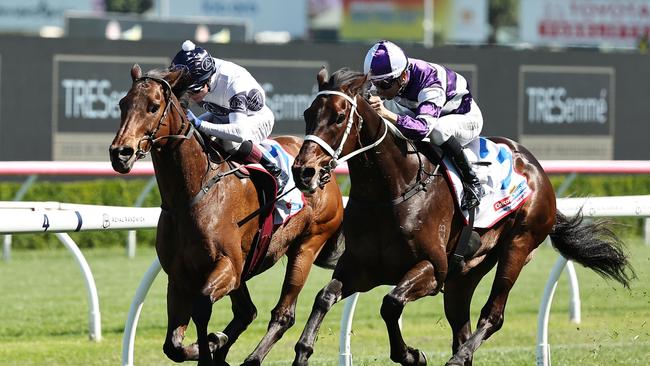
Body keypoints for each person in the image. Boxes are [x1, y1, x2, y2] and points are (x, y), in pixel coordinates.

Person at [363, 40, 484, 210]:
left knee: (438, 131)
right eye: (374, 83)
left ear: (403, 77)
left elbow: (422, 129)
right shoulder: (391, 75)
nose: (378, 90)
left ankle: (472, 181)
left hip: (462, 117)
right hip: (422, 112)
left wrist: (387, 114)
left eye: (383, 85)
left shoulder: (429, 81)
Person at [171, 40, 289, 193]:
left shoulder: (235, 84)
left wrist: (200, 124)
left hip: (253, 119)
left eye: (193, 92)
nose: (190, 97)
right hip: (222, 113)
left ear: (208, 80)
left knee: (230, 142)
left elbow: (239, 133)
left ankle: (274, 169)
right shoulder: (198, 75)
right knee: (188, 131)